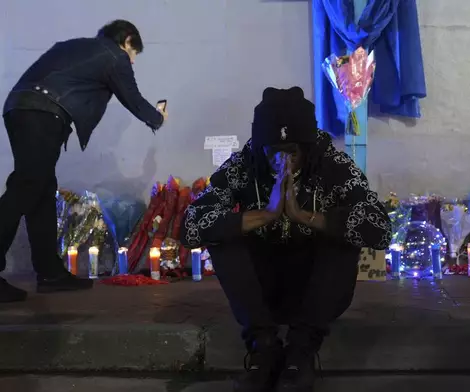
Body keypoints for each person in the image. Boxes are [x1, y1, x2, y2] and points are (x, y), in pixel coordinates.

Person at [181, 87, 392, 392]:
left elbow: (380, 227)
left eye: (292, 152)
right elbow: (191, 226)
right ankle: (263, 347)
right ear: (261, 148)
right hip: (262, 292)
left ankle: (300, 351)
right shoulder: (243, 166)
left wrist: (304, 216)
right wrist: (266, 214)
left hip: (315, 290)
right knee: (223, 236)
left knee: (343, 235)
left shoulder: (333, 166)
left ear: (306, 146)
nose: (283, 162)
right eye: (273, 153)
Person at [0, 20, 168, 303]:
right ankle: (47, 273)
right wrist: (158, 117)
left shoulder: (74, 47)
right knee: (26, 187)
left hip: (21, 108)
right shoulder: (113, 54)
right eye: (133, 54)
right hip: (42, 113)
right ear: (126, 40)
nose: (131, 61)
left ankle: (50, 273)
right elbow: (134, 99)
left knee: (40, 189)